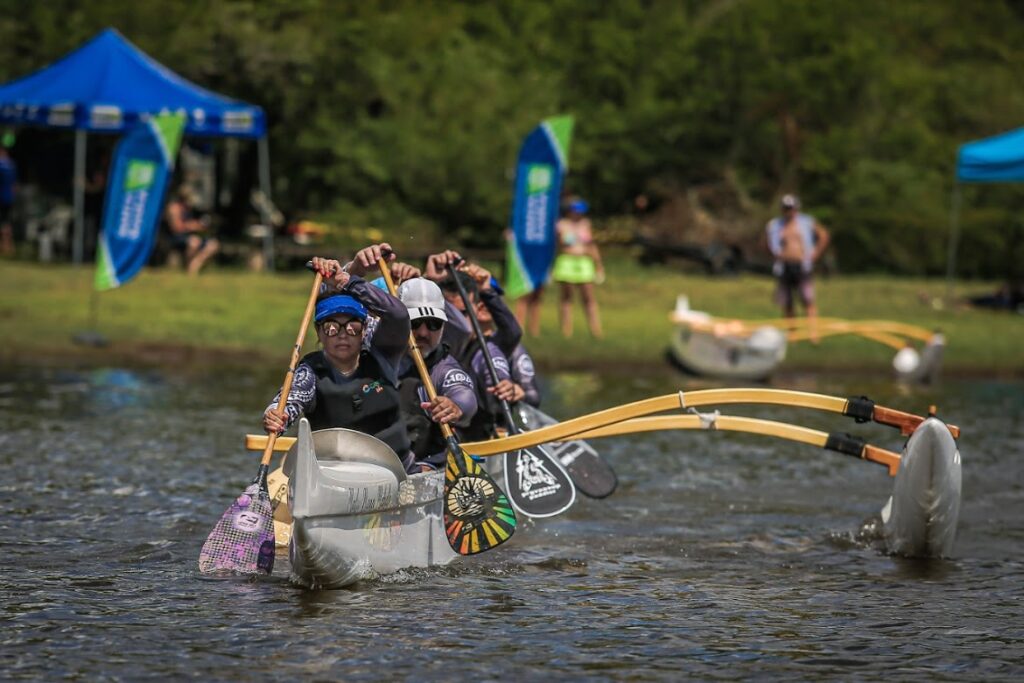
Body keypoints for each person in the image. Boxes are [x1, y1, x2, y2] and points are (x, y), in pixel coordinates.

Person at [262, 243, 417, 471]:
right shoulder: (310, 371)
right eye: (332, 328)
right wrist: (276, 414)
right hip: (333, 472)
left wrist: (347, 280)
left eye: (352, 326)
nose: (342, 335)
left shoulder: (381, 355)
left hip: (395, 471)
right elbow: (290, 399)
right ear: (319, 332)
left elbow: (398, 315)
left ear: (364, 329)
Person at [395, 275, 479, 471]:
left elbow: (464, 395)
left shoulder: (445, 369)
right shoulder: (377, 349)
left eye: (434, 323)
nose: (423, 333)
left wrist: (455, 406)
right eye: (415, 323)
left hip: (423, 470)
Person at [765, 194, 831, 341]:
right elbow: (766, 243)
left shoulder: (806, 222)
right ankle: (792, 334)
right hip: (784, 267)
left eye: (792, 208)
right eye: (786, 208)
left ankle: (813, 332)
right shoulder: (775, 225)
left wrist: (815, 254)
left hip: (802, 266)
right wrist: (773, 254)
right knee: (787, 302)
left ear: (796, 208)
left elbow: (823, 235)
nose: (789, 211)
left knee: (808, 299)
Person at [552, 198, 605, 338]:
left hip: (584, 262)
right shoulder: (561, 225)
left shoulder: (585, 224)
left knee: (589, 297)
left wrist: (598, 264)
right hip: (567, 262)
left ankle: (596, 330)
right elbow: (556, 246)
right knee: (566, 297)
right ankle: (566, 330)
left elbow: (591, 245)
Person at [165, 185, 220, 275]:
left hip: (192, 235)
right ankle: (189, 268)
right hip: (177, 237)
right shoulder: (174, 208)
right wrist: (192, 226)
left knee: (213, 244)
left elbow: (195, 223)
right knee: (194, 242)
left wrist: (200, 226)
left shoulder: (189, 208)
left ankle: (195, 264)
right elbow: (177, 227)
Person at [0, 145, 17, 257]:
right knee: (7, 221)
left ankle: (4, 245)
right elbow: (14, 185)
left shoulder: (1, 166)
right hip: (9, 197)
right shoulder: (12, 165)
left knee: (3, 221)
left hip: (1, 197)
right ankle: (9, 245)